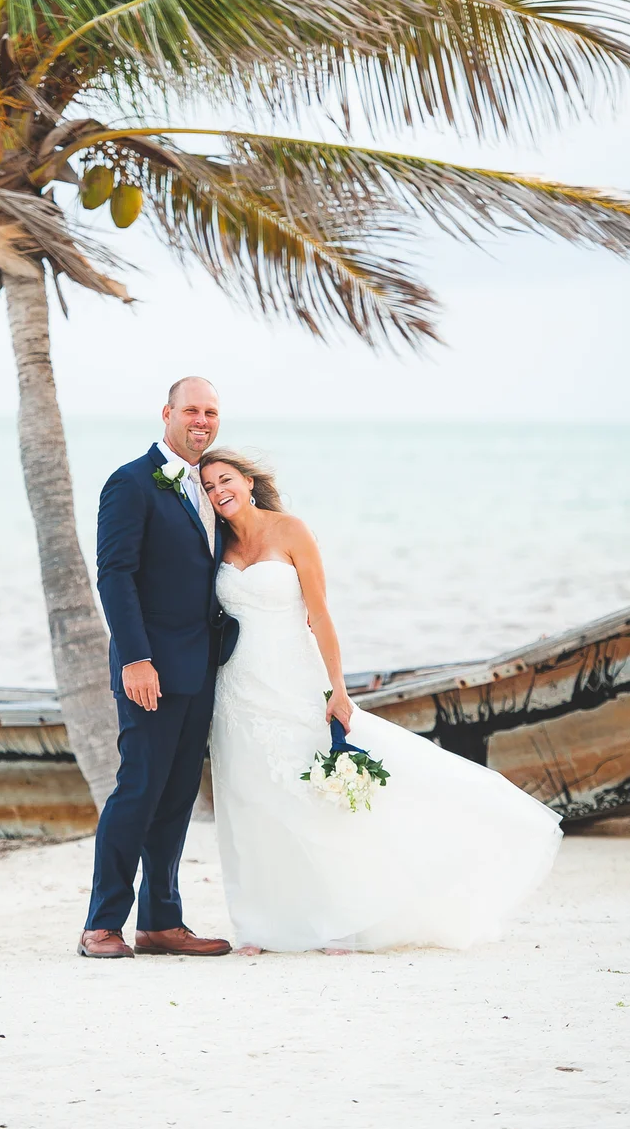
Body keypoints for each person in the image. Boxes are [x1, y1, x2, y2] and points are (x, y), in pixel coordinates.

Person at [199, 449, 563, 954]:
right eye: (209, 486)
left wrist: (338, 689)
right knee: (248, 801)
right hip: (237, 689)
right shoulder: (215, 543)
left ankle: (338, 920)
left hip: (295, 681)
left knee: (315, 801)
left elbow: (320, 616)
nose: (220, 491)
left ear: (247, 479)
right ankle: (260, 926)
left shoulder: (291, 531)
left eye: (226, 479)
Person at [80, 378, 237, 959]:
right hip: (149, 668)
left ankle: (161, 922)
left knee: (177, 797)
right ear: (167, 413)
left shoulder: (212, 484)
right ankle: (102, 924)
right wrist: (137, 658)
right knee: (138, 790)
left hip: (201, 670)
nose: (203, 420)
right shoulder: (130, 482)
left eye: (212, 412)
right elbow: (115, 575)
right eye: (192, 410)